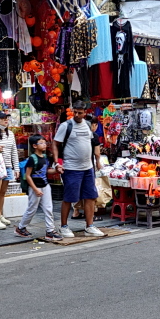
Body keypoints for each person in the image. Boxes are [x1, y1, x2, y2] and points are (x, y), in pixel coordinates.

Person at [53, 100, 105, 237]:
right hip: (71, 168)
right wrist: (57, 163)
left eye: (79, 113)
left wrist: (97, 160)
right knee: (69, 198)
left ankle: (90, 226)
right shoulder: (66, 126)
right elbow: (55, 143)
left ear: (85, 113)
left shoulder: (88, 126)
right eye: (74, 112)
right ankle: (63, 226)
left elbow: (91, 143)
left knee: (90, 197)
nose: (76, 115)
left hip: (87, 168)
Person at [18, 134, 60, 241]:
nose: (44, 145)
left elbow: (46, 171)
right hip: (35, 187)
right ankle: (21, 227)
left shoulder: (45, 157)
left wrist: (56, 170)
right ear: (34, 146)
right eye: (41, 143)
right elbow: (28, 176)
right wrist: (35, 189)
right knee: (32, 208)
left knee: (48, 208)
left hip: (45, 186)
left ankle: (50, 231)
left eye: (45, 142)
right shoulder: (32, 159)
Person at [71, 115, 104, 221]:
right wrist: (98, 162)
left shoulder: (77, 134)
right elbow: (97, 153)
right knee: (89, 190)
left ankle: (76, 212)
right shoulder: (93, 135)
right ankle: (90, 214)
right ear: (94, 125)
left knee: (76, 189)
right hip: (88, 166)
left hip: (75, 166)